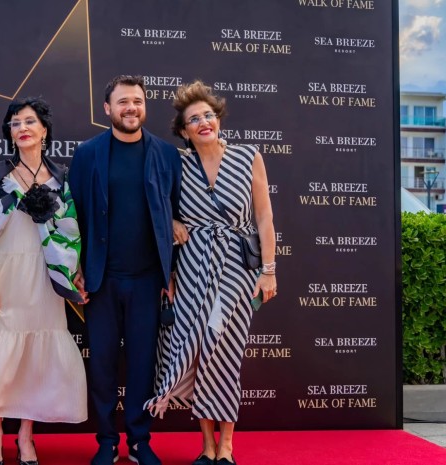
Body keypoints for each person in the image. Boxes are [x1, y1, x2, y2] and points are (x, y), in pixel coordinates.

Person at [0, 97, 87, 465]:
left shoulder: (61, 176)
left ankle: (26, 436)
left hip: (44, 278)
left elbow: (70, 231)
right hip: (3, 274)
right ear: (9, 133)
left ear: (44, 130)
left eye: (29, 121)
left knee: (35, 359)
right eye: (15, 123)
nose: (22, 128)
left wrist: (71, 271)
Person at [144, 80, 277, 465]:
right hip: (191, 270)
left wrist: (269, 270)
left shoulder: (248, 156)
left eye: (208, 115)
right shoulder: (178, 163)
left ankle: (227, 446)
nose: (203, 122)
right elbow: (155, 205)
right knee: (196, 348)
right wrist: (172, 222)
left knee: (223, 348)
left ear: (218, 120)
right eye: (194, 119)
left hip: (235, 270)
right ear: (184, 131)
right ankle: (206, 444)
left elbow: (264, 217)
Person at [69, 75, 183, 465]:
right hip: (100, 280)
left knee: (142, 364)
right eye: (122, 102)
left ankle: (138, 440)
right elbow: (74, 215)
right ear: (107, 109)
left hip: (149, 280)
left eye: (137, 101)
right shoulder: (88, 154)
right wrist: (77, 266)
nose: (131, 108)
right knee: (101, 364)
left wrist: (170, 272)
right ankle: (105, 441)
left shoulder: (167, 155)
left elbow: (176, 214)